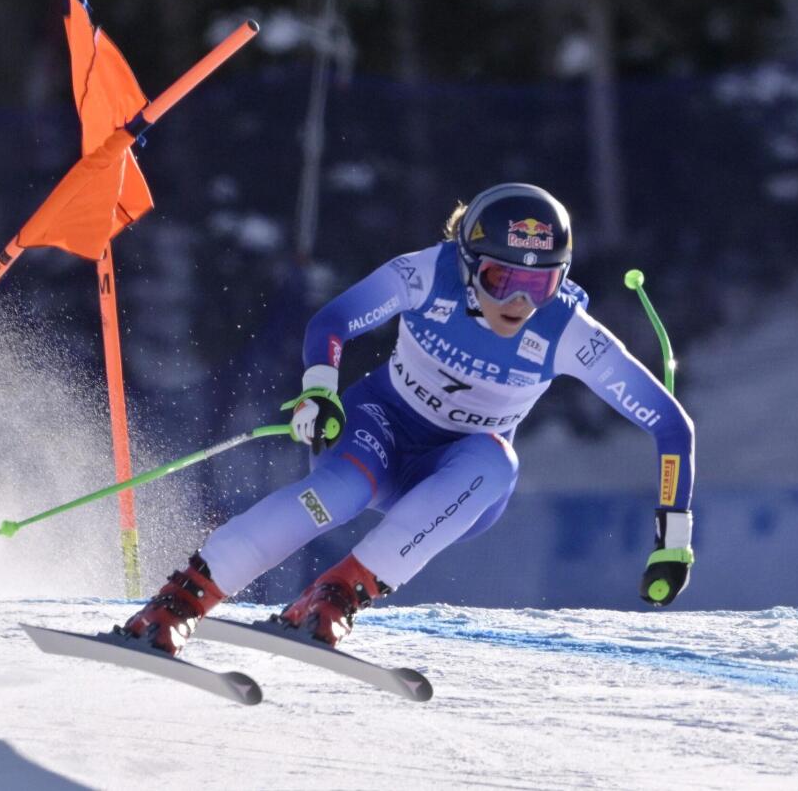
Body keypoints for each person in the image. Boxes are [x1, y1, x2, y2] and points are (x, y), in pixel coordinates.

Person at [118, 183, 696, 655]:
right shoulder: (427, 273)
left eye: (539, 285)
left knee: (496, 459)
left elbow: (671, 427)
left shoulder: (568, 332)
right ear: (469, 264)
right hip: (380, 430)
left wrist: (674, 540)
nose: (518, 303)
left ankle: (335, 597)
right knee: (336, 493)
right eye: (502, 279)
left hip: (458, 477)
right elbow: (333, 321)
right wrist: (320, 391)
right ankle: (177, 603)